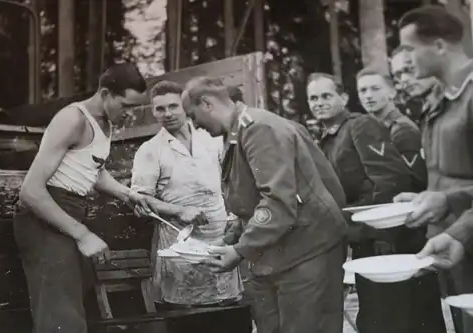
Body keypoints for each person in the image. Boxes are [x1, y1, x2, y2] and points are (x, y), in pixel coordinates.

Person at [181, 76, 347, 333]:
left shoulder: (259, 128)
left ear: (206, 103)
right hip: (279, 253)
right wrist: (229, 241)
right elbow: (250, 202)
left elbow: (277, 201)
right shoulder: (238, 133)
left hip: (306, 251)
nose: (194, 125)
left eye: (193, 116)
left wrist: (240, 250)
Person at [13, 63, 158, 333]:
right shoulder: (73, 119)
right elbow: (31, 191)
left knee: (75, 311)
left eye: (135, 109)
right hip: (45, 217)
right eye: (126, 106)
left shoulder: (105, 122)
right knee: (61, 319)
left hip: (70, 214)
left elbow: (92, 168)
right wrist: (83, 235)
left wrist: (127, 194)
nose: (131, 116)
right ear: (105, 93)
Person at [308, 72, 446, 333]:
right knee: (377, 316)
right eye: (313, 98)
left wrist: (383, 233)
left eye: (326, 95)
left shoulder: (360, 126)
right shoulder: (328, 139)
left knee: (402, 317)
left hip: (390, 239)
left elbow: (390, 179)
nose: (319, 102)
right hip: (366, 240)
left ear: (344, 97)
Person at [130, 80, 243, 309]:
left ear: (185, 106)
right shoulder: (150, 150)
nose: (167, 114)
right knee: (188, 315)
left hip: (220, 236)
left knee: (227, 310)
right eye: (159, 109)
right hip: (179, 243)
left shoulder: (210, 137)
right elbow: (139, 198)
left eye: (173, 106)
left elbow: (228, 181)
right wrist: (180, 210)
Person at [395, 6, 473, 333]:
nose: (407, 60)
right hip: (450, 241)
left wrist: (447, 200)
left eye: (411, 49)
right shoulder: (439, 96)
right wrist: (428, 197)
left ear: (440, 46)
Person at [357, 68, 427, 193]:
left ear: (392, 92)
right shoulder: (376, 128)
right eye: (363, 90)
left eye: (375, 89)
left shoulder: (402, 130)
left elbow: (416, 181)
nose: (368, 95)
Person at [390, 45, 442, 125]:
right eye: (398, 75)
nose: (404, 79)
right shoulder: (414, 114)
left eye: (409, 69)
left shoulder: (456, 102)